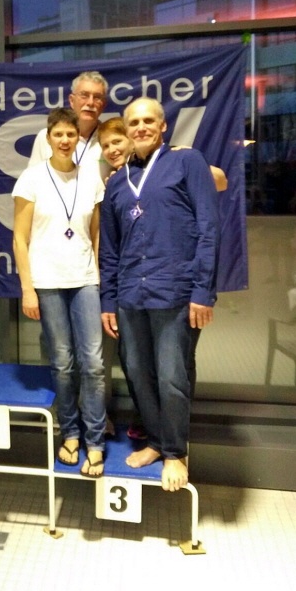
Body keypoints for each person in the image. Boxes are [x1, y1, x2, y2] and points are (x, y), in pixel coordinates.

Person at [100, 98, 219, 492]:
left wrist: (203, 290)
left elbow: (209, 228)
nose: (141, 127)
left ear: (163, 125)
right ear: (126, 128)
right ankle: (155, 441)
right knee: (137, 373)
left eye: (148, 120)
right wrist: (108, 300)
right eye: (134, 122)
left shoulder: (187, 162)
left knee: (171, 377)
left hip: (176, 292)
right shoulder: (117, 182)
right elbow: (110, 249)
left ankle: (175, 452)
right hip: (131, 295)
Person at [13, 108, 107, 476]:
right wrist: (27, 289)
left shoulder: (91, 178)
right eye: (58, 134)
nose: (65, 140)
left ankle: (95, 441)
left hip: (84, 279)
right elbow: (19, 239)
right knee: (64, 363)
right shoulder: (32, 178)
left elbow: (95, 234)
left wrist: (99, 277)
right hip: (47, 281)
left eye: (71, 134)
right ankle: (70, 433)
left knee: (94, 364)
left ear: (77, 138)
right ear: (48, 138)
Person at [29, 70, 109, 181]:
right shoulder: (46, 137)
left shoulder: (109, 139)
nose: (90, 102)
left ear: (103, 104)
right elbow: (32, 180)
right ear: (72, 100)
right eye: (84, 95)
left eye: (97, 97)